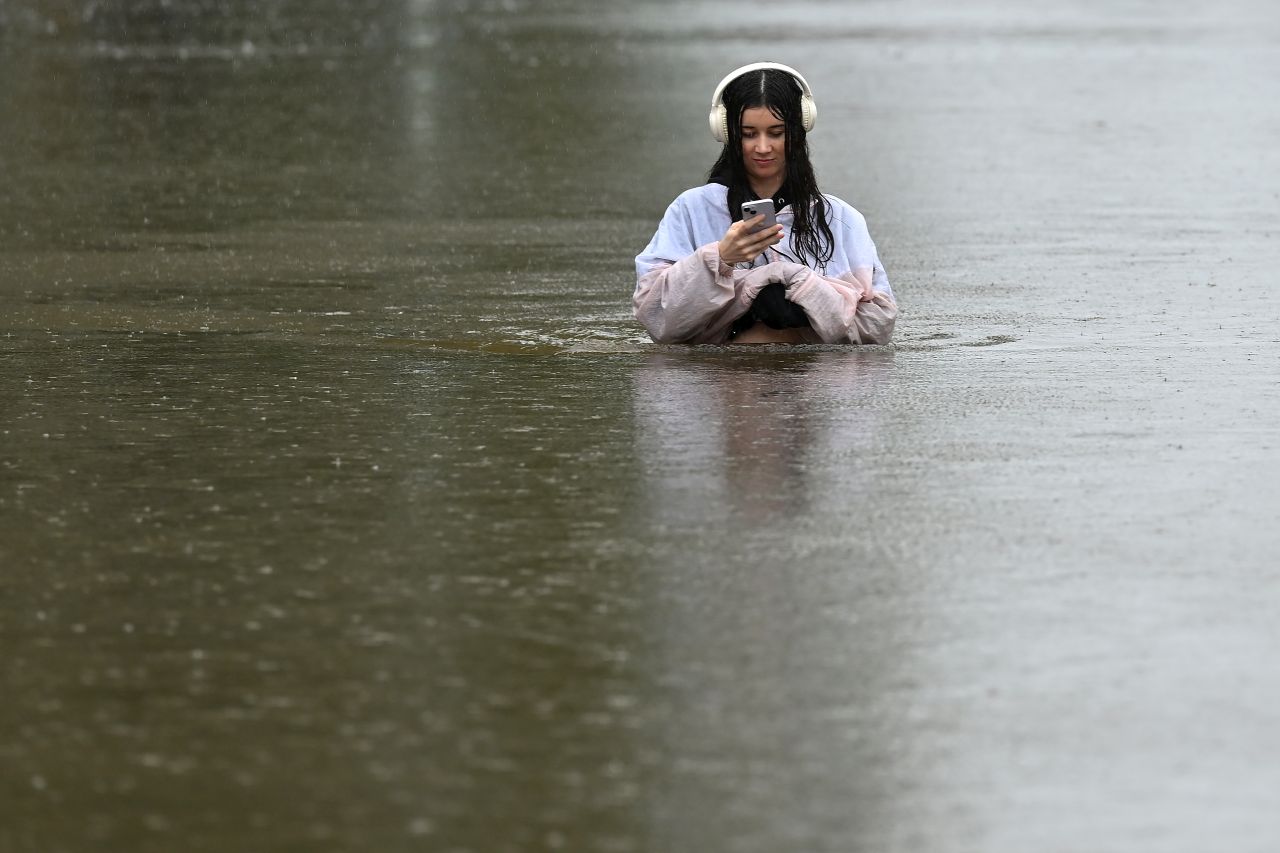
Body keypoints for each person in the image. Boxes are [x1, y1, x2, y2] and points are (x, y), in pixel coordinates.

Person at [633, 62, 898, 345]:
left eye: (776, 133)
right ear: (728, 133)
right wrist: (720, 259)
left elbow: (879, 324)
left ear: (798, 131)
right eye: (748, 134)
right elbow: (655, 316)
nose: (762, 147)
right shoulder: (691, 210)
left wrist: (803, 289)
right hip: (723, 384)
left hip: (814, 384)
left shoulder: (842, 219)